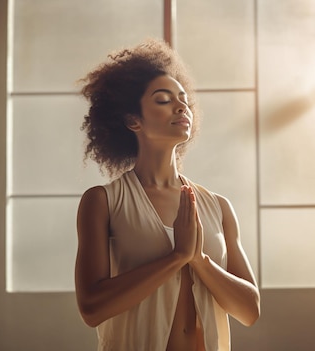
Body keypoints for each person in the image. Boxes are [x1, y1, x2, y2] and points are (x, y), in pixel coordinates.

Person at [74, 38, 260, 351]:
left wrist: (199, 260)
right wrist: (176, 258)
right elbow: (92, 308)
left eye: (183, 99)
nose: (181, 106)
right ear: (133, 120)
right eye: (163, 100)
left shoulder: (218, 207)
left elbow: (250, 310)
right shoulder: (103, 202)